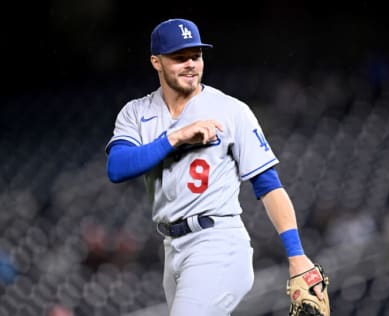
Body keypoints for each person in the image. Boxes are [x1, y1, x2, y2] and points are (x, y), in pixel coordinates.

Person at [105, 18, 325, 316]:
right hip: (173, 249)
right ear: (156, 62)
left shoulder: (231, 110)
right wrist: (176, 137)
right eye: (179, 58)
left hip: (217, 243)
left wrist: (296, 255)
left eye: (196, 56)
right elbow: (117, 168)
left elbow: (268, 185)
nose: (190, 64)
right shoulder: (136, 113)